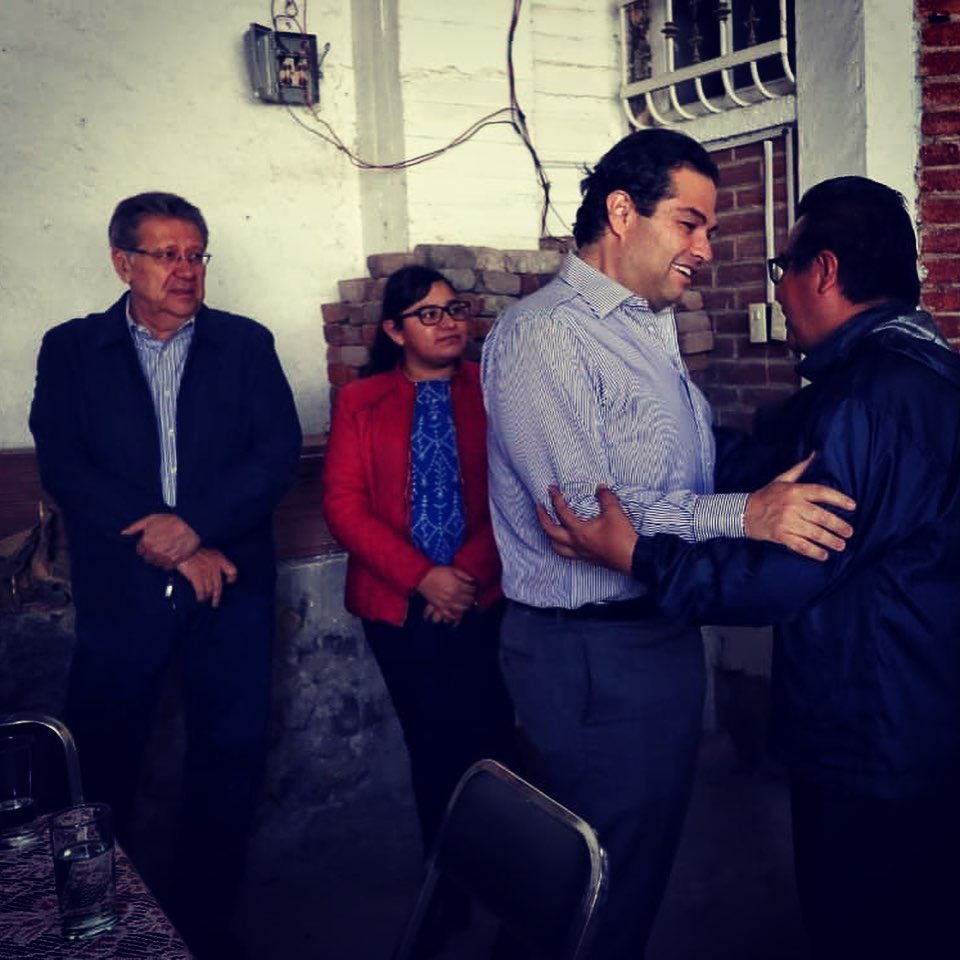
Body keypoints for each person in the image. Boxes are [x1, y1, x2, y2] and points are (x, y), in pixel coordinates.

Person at [538, 176, 960, 960]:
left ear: (823, 271)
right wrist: (662, 430)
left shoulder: (873, 397)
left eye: (781, 268)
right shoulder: (908, 370)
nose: (778, 290)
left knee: (866, 924)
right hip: (914, 707)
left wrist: (637, 554)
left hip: (877, 729)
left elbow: (786, 571)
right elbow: (772, 461)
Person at [480, 129, 854, 960]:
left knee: (625, 875)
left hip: (654, 629)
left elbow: (681, 466)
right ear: (622, 212)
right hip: (588, 651)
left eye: (708, 229)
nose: (706, 249)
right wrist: (745, 515)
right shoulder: (545, 334)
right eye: (690, 223)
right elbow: (586, 516)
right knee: (587, 888)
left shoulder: (646, 324)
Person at [29, 192, 302, 960]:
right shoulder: (73, 348)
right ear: (124, 263)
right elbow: (65, 464)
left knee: (230, 758)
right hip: (124, 592)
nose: (185, 270)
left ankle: (202, 929)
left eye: (195, 254)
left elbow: (276, 454)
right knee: (100, 757)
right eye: (166, 254)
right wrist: (177, 543)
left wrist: (197, 527)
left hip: (231, 589)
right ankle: (96, 929)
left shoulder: (244, 344)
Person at [322, 265, 518, 954]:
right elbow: (344, 505)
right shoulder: (361, 401)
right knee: (434, 749)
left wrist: (462, 577)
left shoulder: (493, 391)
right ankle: (446, 893)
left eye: (454, 309)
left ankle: (516, 887)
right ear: (395, 330)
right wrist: (423, 579)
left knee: (496, 743)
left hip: (484, 599)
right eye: (429, 314)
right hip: (397, 608)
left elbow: (518, 491)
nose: (449, 323)